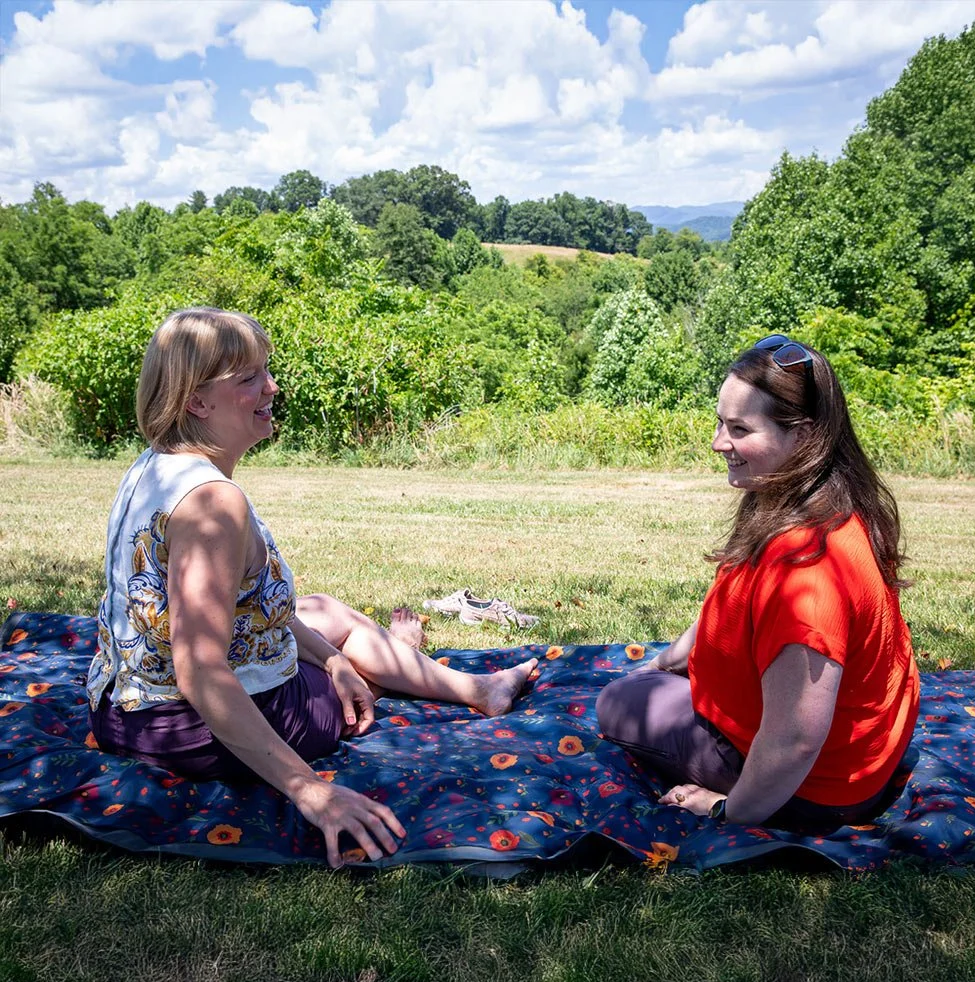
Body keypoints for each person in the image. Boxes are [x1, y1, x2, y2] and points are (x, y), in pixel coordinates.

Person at [87, 307, 538, 867]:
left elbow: (252, 611)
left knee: (323, 613)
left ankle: (452, 681)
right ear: (195, 401)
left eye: (266, 371)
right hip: (189, 726)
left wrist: (330, 660)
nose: (272, 387)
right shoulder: (213, 504)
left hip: (119, 707)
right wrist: (311, 790)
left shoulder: (153, 467)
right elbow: (199, 670)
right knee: (348, 673)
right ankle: (414, 664)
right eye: (249, 378)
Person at [596, 335, 920, 832]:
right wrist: (666, 664)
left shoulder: (805, 575)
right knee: (645, 683)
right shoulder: (814, 496)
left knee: (618, 702)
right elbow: (727, 606)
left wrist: (727, 809)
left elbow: (796, 740)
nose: (718, 442)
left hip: (816, 788)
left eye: (740, 428)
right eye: (720, 422)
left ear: (804, 436)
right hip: (860, 756)